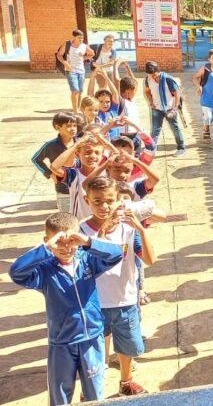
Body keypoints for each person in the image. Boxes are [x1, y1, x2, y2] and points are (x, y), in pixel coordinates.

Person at [9, 212, 123, 406]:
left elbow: (117, 254)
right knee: (60, 396)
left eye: (71, 241)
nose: (66, 247)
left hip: (92, 339)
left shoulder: (87, 260)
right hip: (62, 343)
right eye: (59, 242)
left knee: (96, 394)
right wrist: (45, 249)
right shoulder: (44, 271)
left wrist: (88, 242)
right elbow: (16, 272)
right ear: (48, 241)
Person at [78, 176, 156, 396]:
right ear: (87, 200)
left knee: (126, 346)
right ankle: (94, 384)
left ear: (119, 201)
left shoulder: (129, 229)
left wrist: (141, 229)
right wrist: (103, 231)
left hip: (125, 298)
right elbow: (88, 264)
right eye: (97, 201)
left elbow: (150, 260)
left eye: (109, 201)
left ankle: (126, 380)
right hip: (93, 302)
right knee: (95, 348)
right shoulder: (82, 231)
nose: (104, 206)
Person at [50, 131, 118, 219]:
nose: (92, 156)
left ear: (102, 155)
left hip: (102, 222)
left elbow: (117, 154)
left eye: (97, 153)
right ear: (78, 154)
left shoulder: (107, 173)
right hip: (79, 223)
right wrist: (77, 144)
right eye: (87, 152)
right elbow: (54, 167)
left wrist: (102, 140)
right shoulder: (74, 174)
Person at [32, 112, 79, 212]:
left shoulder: (80, 142)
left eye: (75, 125)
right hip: (64, 189)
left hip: (81, 187)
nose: (73, 129)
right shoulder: (51, 145)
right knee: (66, 217)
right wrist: (50, 174)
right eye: (68, 126)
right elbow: (36, 159)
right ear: (58, 127)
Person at [143, 61, 186, 157]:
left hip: (169, 108)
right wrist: (151, 102)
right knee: (155, 130)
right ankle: (152, 149)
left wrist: (174, 109)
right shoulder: (148, 79)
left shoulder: (167, 79)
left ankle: (181, 147)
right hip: (156, 108)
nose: (153, 77)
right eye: (150, 75)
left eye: (154, 74)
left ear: (158, 70)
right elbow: (147, 92)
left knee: (174, 128)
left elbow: (177, 94)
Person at [57, 29, 95, 113]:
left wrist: (84, 57)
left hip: (81, 71)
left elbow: (92, 54)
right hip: (70, 70)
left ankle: (77, 108)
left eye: (82, 38)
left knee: (80, 91)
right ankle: (75, 111)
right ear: (74, 37)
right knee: (75, 91)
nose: (81, 40)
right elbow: (59, 55)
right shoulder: (67, 44)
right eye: (79, 38)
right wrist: (66, 63)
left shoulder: (84, 46)